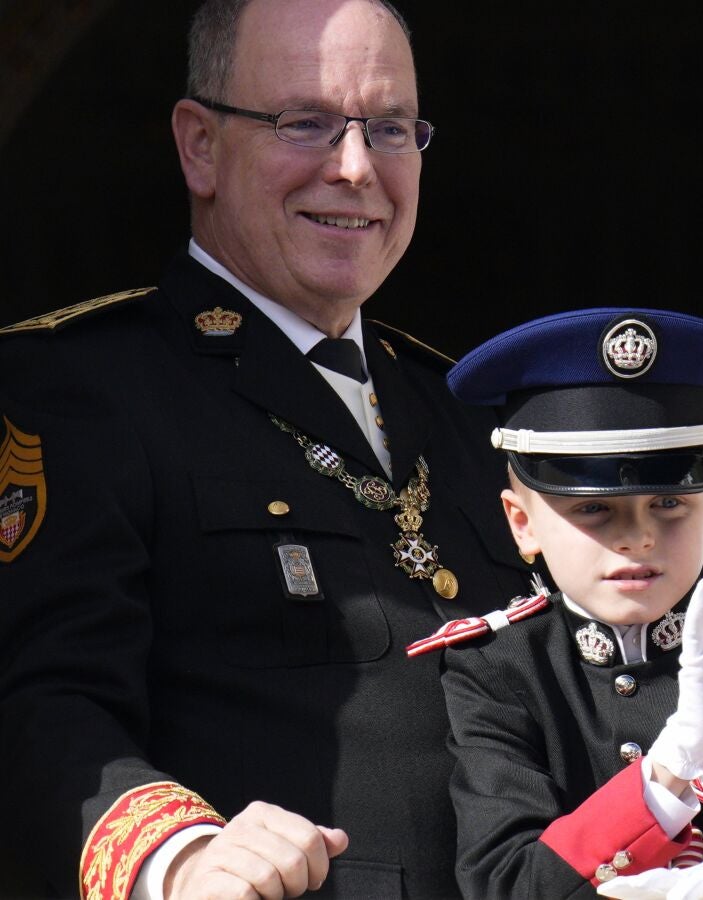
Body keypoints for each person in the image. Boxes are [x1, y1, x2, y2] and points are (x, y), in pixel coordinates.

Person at [0, 1, 530, 897]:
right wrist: (178, 859)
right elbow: (38, 704)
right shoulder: (82, 387)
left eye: (390, 128)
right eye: (305, 122)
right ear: (200, 146)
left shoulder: (466, 410)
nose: (356, 167)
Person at [411, 308, 703, 899]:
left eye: (669, 503)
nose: (636, 537)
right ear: (522, 523)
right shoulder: (498, 667)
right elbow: (505, 884)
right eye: (593, 508)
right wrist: (672, 765)